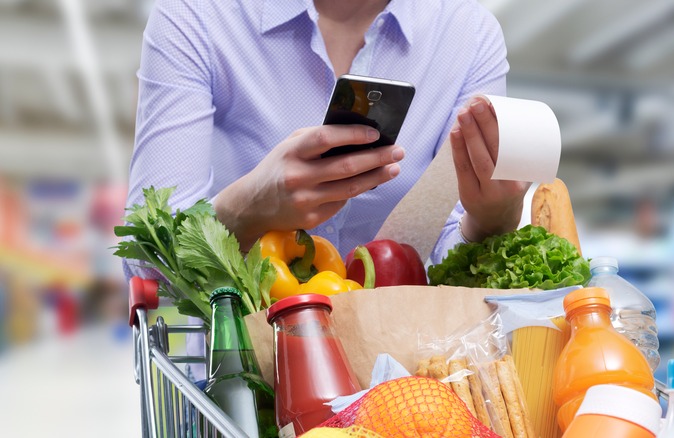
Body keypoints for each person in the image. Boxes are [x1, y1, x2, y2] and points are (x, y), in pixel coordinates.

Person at [125, 0, 530, 273]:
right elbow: (145, 257)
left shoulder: (468, 33)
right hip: (237, 358)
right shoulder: (197, 16)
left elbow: (442, 253)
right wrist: (245, 210)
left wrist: (488, 220)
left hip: (396, 368)